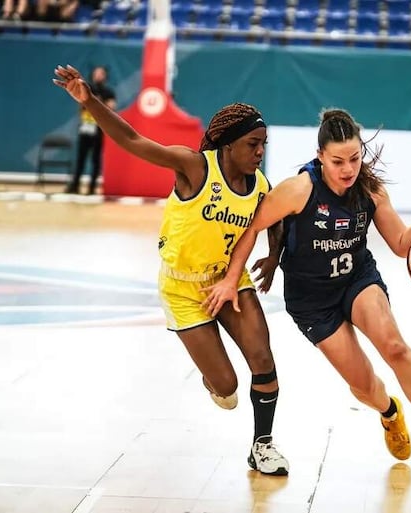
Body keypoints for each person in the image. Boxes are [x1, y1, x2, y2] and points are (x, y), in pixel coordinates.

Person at [53, 64, 289, 475]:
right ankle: (213, 378)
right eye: (253, 144)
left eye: (263, 145)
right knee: (228, 389)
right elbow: (132, 139)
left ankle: (263, 445)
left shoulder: (261, 185)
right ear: (229, 144)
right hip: (182, 288)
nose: (259, 152)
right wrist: (90, 102)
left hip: (228, 280)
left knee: (263, 358)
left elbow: (277, 221)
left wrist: (273, 256)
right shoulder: (195, 167)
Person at [203, 109, 411, 464]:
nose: (348, 169)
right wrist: (236, 275)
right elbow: (253, 226)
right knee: (363, 384)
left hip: (356, 280)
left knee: (394, 346)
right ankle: (390, 412)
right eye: (337, 161)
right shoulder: (299, 189)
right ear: (320, 157)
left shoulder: (369, 189)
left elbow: (400, 245)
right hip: (312, 301)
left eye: (355, 159)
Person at [65, 65, 116, 195]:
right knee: (80, 158)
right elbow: (82, 103)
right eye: (97, 73)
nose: (99, 75)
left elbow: (111, 107)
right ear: (93, 74)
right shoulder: (87, 88)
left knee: (96, 159)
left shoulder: (108, 92)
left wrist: (97, 102)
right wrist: (90, 102)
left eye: (101, 73)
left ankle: (92, 188)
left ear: (105, 76)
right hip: (85, 127)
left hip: (99, 129)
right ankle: (74, 186)